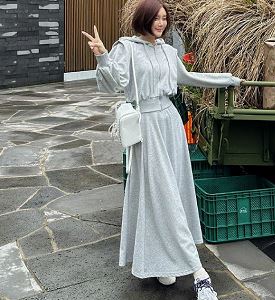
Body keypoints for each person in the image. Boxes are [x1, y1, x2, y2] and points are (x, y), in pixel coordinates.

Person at [82, 0, 241, 299]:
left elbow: (189, 78)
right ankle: (199, 273)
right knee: (160, 193)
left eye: (165, 18)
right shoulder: (126, 48)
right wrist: (103, 56)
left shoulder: (169, 51)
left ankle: (160, 260)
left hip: (169, 122)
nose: (161, 23)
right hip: (148, 127)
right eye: (155, 18)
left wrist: (227, 80)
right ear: (143, 19)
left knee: (173, 191)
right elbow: (113, 83)